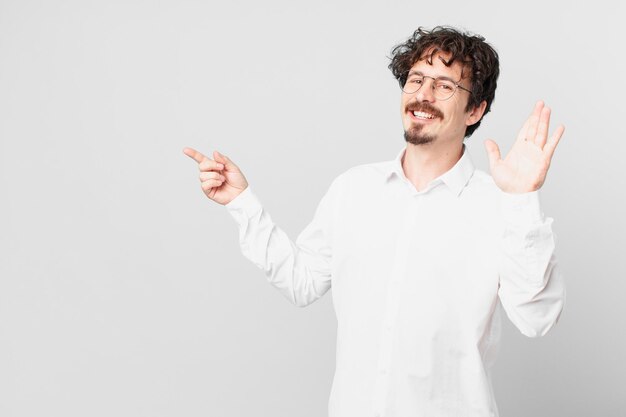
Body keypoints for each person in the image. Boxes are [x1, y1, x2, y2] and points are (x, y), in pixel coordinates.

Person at [183, 26, 565, 417]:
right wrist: (242, 202)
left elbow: (538, 318)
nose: (423, 95)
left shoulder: (498, 205)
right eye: (416, 80)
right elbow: (301, 283)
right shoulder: (353, 189)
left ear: (475, 109)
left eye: (444, 86)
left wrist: (522, 200)